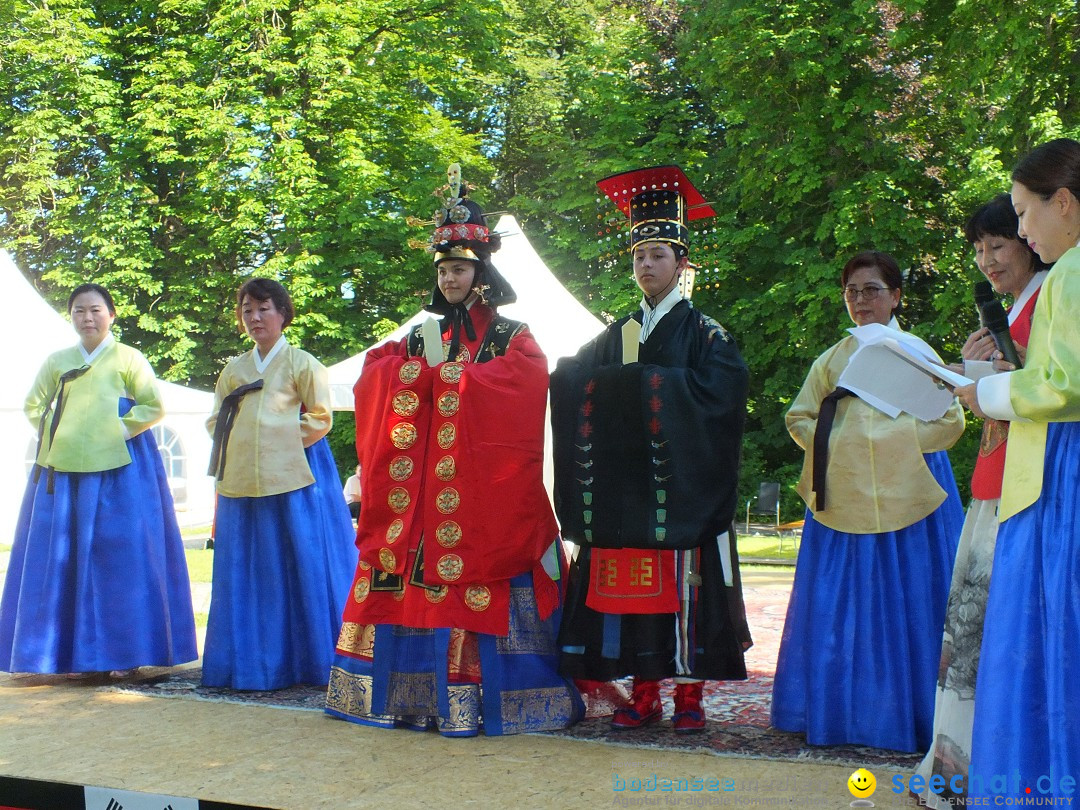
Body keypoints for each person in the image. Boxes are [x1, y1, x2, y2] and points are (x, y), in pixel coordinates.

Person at [326, 166, 582, 736]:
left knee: (482, 572)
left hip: (482, 495)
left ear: (480, 271)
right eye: (443, 270)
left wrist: (452, 382)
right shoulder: (418, 337)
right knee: (406, 585)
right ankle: (411, 699)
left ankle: (488, 700)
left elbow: (523, 381)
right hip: (416, 504)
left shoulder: (511, 335)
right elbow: (376, 373)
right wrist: (422, 373)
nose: (450, 279)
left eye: (460, 268)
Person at [550, 165, 752, 734]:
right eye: (639, 255)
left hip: (683, 490)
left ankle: (689, 696)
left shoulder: (706, 333)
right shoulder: (616, 331)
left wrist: (651, 385)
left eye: (658, 254)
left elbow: (725, 392)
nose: (646, 265)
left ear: (682, 263)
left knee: (690, 592)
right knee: (635, 600)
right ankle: (644, 694)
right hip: (627, 497)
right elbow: (570, 379)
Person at [771, 250, 965, 752]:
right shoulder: (831, 359)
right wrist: (846, 441)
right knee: (841, 611)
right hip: (842, 499)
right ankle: (841, 715)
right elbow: (799, 418)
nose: (861, 300)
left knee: (914, 605)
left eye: (872, 289)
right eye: (852, 291)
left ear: (896, 296)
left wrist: (887, 441)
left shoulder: (917, 352)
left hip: (913, 497)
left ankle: (919, 715)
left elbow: (950, 422)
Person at [954, 138, 1080, 800]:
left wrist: (991, 391)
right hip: (1049, 465)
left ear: (1063, 204)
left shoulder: (1073, 272)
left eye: (1023, 215)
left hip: (1063, 470)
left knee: (1049, 634)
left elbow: (1068, 384)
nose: (1021, 230)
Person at [914, 196, 1048, 806]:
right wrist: (976, 370)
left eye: (998, 244)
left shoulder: (1052, 295)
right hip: (993, 483)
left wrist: (985, 375)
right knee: (970, 630)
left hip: (1030, 492)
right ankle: (957, 771)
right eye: (978, 249)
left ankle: (989, 772)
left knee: (993, 632)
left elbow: (1043, 387)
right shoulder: (1015, 307)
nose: (987, 260)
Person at [0, 283, 197, 677]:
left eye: (95, 310)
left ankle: (124, 654)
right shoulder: (57, 360)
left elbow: (153, 405)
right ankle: (67, 655)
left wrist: (116, 431)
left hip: (121, 471)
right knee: (64, 557)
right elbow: (34, 404)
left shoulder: (128, 358)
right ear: (70, 316)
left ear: (111, 314)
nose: (87, 318)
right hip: (65, 472)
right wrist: (56, 433)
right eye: (78, 311)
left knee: (121, 558)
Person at [203, 278, 356, 690]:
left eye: (264, 308)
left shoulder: (302, 362)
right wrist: (237, 441)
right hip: (240, 484)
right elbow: (216, 419)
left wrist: (275, 440)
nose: (255, 317)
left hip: (295, 480)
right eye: (247, 309)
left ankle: (309, 661)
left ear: (283, 313)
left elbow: (321, 417)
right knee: (248, 571)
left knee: (301, 564)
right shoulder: (234, 370)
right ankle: (251, 663)